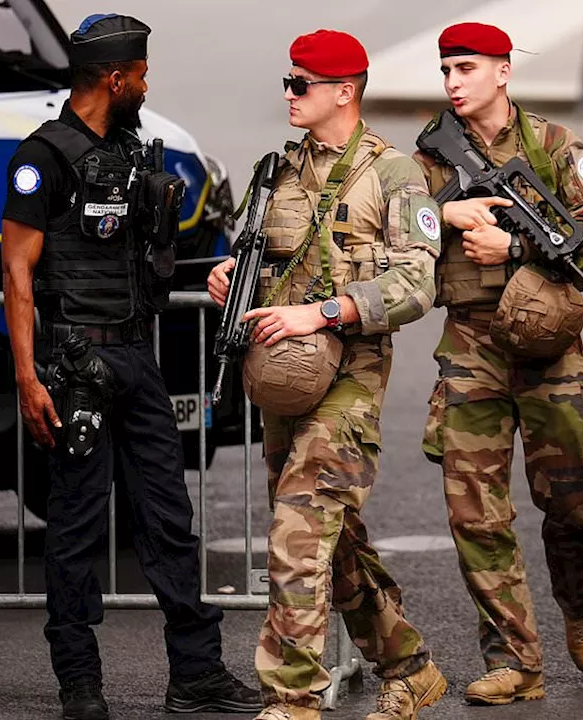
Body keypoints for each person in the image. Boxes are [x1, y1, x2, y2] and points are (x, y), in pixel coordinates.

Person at [0, 14, 260, 720]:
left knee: (169, 523)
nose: (146, 85)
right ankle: (80, 686)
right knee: (77, 530)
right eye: (140, 74)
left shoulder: (131, 152)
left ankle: (197, 676)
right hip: (74, 364)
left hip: (136, 356)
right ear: (114, 79)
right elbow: (16, 276)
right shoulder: (42, 156)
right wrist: (28, 377)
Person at [206, 29, 445, 720]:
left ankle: (294, 699)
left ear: (344, 91)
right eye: (287, 81)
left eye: (300, 83)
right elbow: (268, 257)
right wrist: (234, 277)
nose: (288, 93)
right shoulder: (277, 170)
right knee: (329, 542)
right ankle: (411, 667)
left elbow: (418, 282)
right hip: (284, 377)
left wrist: (327, 311)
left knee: (297, 534)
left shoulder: (394, 173)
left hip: (350, 381)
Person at [411, 22, 583, 707]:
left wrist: (516, 249)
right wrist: (450, 213)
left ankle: (581, 605)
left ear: (503, 71)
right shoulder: (432, 157)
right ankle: (514, 661)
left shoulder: (556, 147)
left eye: (466, 68)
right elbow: (396, 228)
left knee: (575, 507)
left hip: (549, 345)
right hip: (470, 347)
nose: (453, 82)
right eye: (446, 70)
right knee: (475, 514)